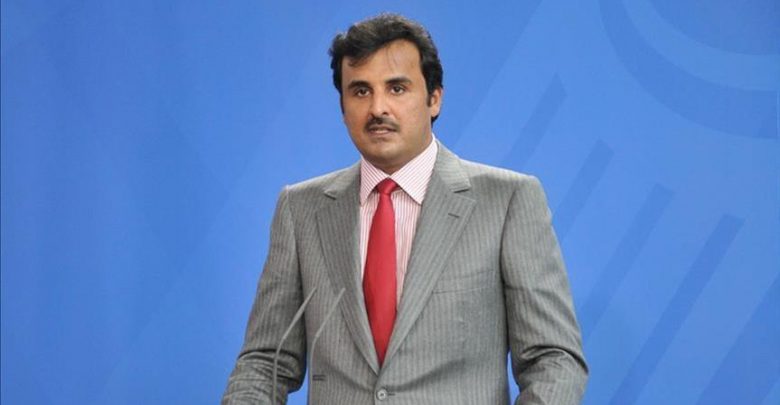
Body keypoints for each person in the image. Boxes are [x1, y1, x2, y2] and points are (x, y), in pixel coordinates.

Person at [222, 13, 587, 404]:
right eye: (360, 91)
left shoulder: (508, 201)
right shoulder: (301, 210)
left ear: (434, 98)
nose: (377, 108)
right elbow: (265, 363)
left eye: (397, 88)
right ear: (343, 107)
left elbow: (554, 360)